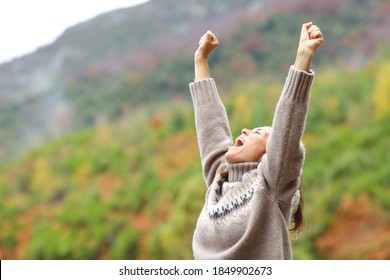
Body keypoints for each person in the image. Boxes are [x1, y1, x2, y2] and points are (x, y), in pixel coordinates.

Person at [188, 22, 324, 259]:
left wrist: (303, 57)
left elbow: (287, 128)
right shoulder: (218, 181)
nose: (246, 131)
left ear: (270, 155)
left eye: (258, 133)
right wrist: (200, 60)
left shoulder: (271, 186)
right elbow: (210, 124)